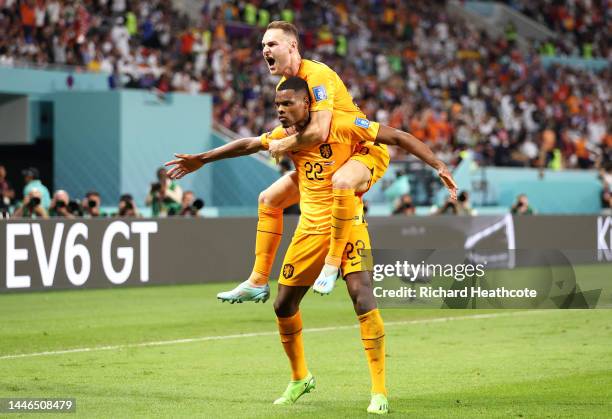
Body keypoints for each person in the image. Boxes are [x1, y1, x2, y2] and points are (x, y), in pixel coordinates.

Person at [165, 77, 457, 414]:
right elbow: (247, 144)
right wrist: (202, 158)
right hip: (308, 229)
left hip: (348, 227)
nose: (281, 111)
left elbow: (398, 137)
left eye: (288, 104)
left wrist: (439, 165)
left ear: (308, 104)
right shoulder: (287, 138)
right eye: (277, 105)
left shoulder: (343, 125)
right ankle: (300, 377)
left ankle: (379, 391)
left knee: (362, 296)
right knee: (283, 306)